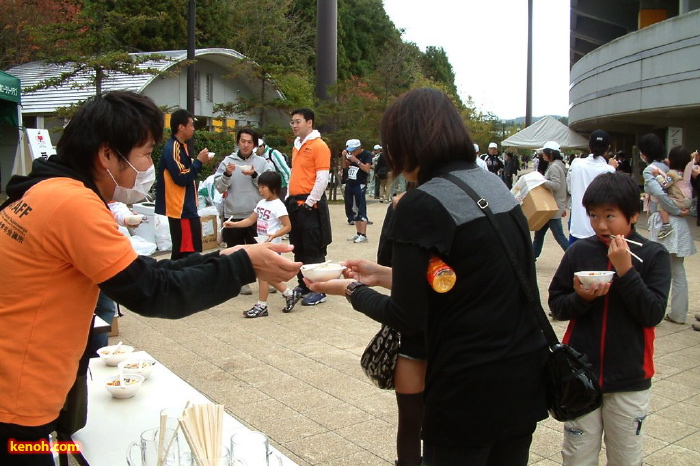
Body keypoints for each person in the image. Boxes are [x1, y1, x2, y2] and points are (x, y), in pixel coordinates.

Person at [0, 91, 300, 465]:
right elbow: (154, 292)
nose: (147, 167)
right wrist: (243, 265)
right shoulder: (73, 205)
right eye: (143, 154)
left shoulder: (44, 190)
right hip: (16, 404)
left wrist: (226, 256)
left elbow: (143, 271)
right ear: (107, 154)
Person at [308, 88, 549, 465]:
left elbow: (407, 317)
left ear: (407, 142)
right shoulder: (494, 187)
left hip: (466, 386)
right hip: (524, 377)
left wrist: (351, 289)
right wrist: (382, 274)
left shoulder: (423, 202)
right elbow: (468, 282)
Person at [549, 172, 671, 466]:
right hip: (581, 376)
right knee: (577, 457)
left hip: (629, 378)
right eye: (593, 215)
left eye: (609, 216)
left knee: (626, 458)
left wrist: (625, 270)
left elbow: (652, 313)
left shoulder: (654, 255)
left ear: (632, 215)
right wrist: (582, 299)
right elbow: (557, 303)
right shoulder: (580, 250)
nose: (600, 225)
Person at [223, 171, 300, 317]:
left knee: (262, 274)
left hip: (272, 246)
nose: (260, 190)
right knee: (263, 273)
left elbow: (287, 226)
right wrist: (233, 224)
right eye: (259, 187)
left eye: (263, 187)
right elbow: (250, 220)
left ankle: (262, 305)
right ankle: (289, 293)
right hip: (261, 244)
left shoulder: (279, 206)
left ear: (274, 188)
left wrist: (274, 235)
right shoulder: (261, 203)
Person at [640, 134, 696, 325]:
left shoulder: (652, 170)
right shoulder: (674, 168)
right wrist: (682, 210)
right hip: (679, 223)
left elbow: (659, 194)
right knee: (678, 270)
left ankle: (652, 310)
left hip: (666, 221)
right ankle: (679, 313)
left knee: (656, 268)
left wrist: (675, 210)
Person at [214, 128, 273, 294]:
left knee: (261, 250)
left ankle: (267, 279)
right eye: (243, 141)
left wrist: (254, 175)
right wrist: (227, 173)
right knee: (235, 250)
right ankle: (240, 281)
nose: (246, 145)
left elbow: (269, 185)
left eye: (249, 142)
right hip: (234, 213)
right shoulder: (228, 161)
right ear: (238, 142)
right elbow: (219, 187)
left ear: (255, 144)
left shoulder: (261, 162)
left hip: (256, 214)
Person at [286, 107, 332, 307]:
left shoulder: (319, 146)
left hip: (309, 205)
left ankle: (319, 289)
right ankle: (303, 285)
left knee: (313, 248)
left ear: (309, 122)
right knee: (299, 247)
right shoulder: (297, 145)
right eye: (293, 122)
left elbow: (322, 178)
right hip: (294, 203)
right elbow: (294, 174)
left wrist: (310, 203)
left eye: (298, 121)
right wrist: (288, 198)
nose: (295, 125)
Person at [155, 108, 211, 260]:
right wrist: (199, 162)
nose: (193, 129)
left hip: (186, 207)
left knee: (188, 250)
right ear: (181, 127)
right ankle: (181, 282)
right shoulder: (173, 148)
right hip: (181, 209)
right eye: (191, 125)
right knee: (187, 253)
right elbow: (180, 177)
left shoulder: (181, 147)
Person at [566, 129, 616, 244]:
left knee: (575, 260)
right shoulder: (609, 170)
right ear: (608, 148)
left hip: (577, 227)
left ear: (589, 146)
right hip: (599, 230)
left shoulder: (576, 163)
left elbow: (569, 188)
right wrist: (613, 167)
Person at [532, 141, 569, 259]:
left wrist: (541, 181)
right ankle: (532, 258)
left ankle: (574, 257)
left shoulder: (554, 167)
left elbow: (556, 185)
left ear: (550, 153)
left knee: (559, 236)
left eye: (544, 153)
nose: (543, 156)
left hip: (552, 207)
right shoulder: (560, 165)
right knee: (539, 234)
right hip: (552, 206)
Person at [649, 146, 693, 239]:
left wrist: (657, 175)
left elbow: (665, 184)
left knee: (661, 205)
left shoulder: (672, 173)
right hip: (687, 200)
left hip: (679, 200)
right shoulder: (686, 172)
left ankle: (666, 225)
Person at [343, 139, 373, 243]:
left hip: (360, 183)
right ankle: (358, 232)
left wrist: (356, 160)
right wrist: (345, 157)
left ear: (358, 148)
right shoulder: (350, 155)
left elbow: (367, 169)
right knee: (353, 208)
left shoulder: (367, 154)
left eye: (353, 150)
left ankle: (363, 234)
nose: (351, 153)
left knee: (361, 209)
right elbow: (345, 167)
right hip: (350, 183)